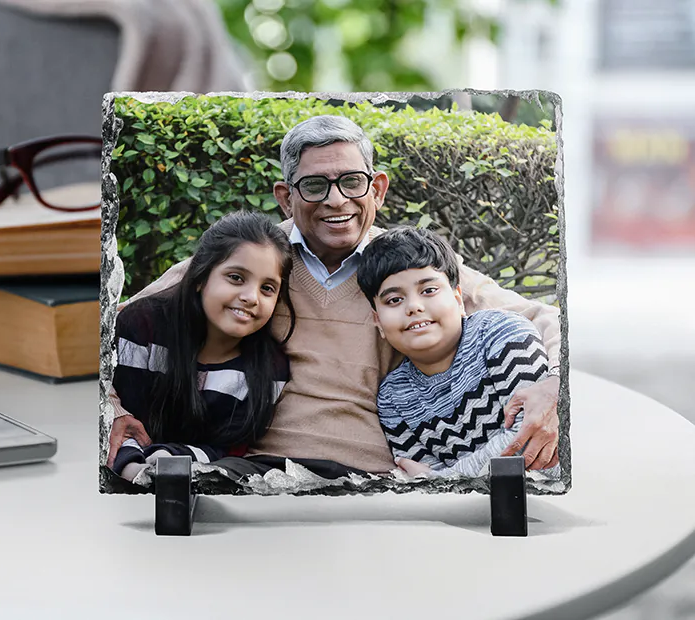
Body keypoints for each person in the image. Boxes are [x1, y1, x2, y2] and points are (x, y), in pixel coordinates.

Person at [108, 114, 562, 480]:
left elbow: (541, 317)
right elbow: (115, 326)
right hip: (251, 470)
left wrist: (553, 388)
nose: (336, 200)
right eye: (314, 186)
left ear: (377, 189)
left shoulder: (406, 268)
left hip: (370, 474)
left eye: (351, 181)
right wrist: (109, 411)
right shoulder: (253, 261)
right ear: (286, 198)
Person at [356, 226, 561, 478]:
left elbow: (532, 439)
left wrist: (447, 478)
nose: (414, 307)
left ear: (458, 299)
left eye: (428, 290)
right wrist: (441, 480)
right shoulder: (393, 398)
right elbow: (421, 479)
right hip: (464, 515)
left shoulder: (500, 334)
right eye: (394, 300)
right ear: (378, 322)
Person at [109, 210, 294, 482]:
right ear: (200, 278)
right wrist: (133, 468)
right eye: (236, 277)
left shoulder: (269, 370)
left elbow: (227, 449)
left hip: (190, 481)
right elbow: (119, 422)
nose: (251, 297)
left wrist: (169, 460)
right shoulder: (142, 328)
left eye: (267, 288)